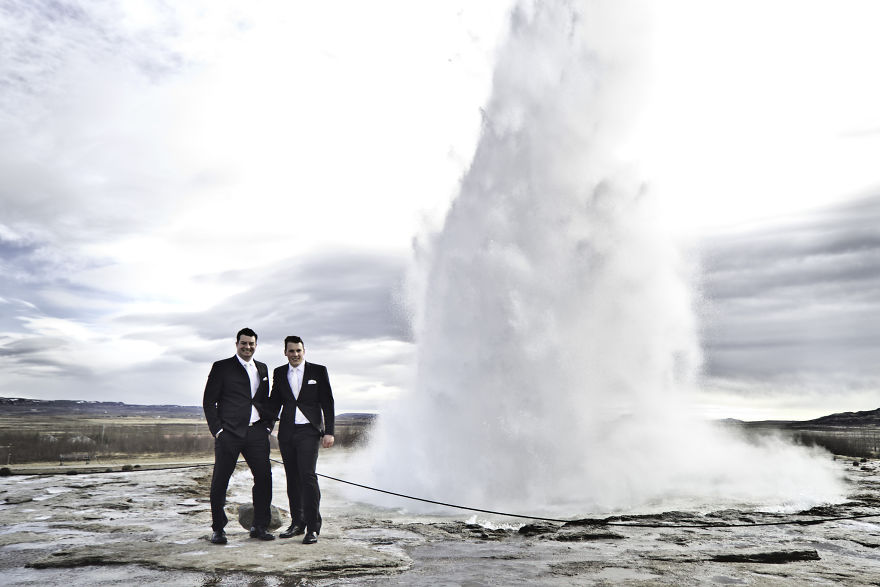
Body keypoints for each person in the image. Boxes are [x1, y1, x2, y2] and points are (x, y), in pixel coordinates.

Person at [202, 327, 276, 544]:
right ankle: (218, 529)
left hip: (256, 432)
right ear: (237, 344)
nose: (247, 347)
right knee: (220, 481)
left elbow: (264, 400)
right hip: (229, 433)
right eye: (244, 343)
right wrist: (218, 430)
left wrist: (268, 426)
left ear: (256, 345)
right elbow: (209, 401)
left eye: (251, 344)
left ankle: (259, 526)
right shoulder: (222, 367)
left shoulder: (262, 369)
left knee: (264, 479)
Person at [271, 335, 335, 545]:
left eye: (298, 350)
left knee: (308, 477)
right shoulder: (279, 373)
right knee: (292, 478)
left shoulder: (318, 371)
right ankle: (297, 523)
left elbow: (328, 402)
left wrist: (329, 431)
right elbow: (274, 403)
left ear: (304, 351)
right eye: (291, 351)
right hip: (287, 432)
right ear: (285, 352)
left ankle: (313, 527)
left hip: (310, 431)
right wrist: (265, 426)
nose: (295, 354)